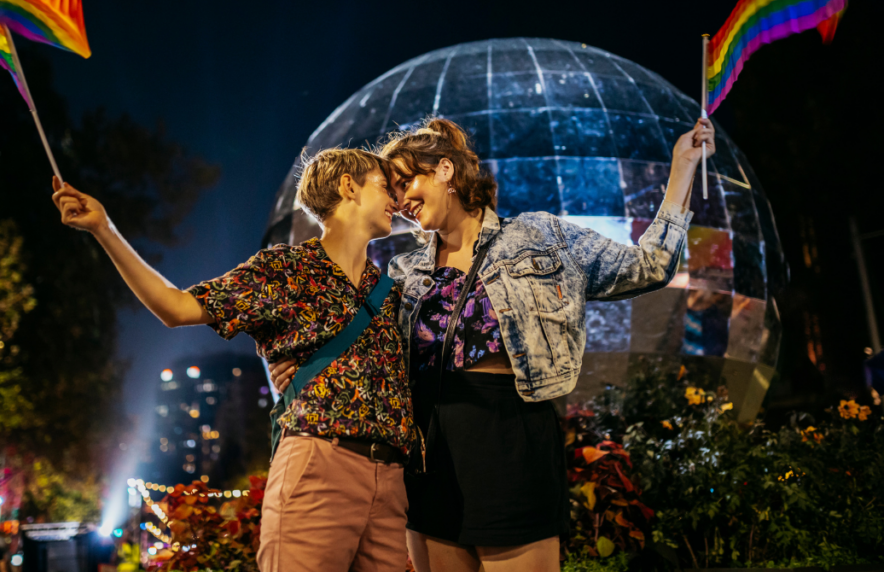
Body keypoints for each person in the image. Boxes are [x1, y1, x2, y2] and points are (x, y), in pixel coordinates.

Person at [273, 115, 713, 571]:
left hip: (513, 442)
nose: (399, 199)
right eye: (392, 189)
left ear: (445, 170)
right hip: (430, 453)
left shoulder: (540, 236)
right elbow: (359, 351)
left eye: (405, 181)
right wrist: (296, 361)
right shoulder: (403, 273)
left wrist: (682, 167)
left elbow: (651, 266)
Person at [51, 147, 418, 572]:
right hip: (320, 466)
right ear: (347, 186)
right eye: (383, 185)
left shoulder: (389, 292)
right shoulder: (284, 269)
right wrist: (104, 228)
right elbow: (176, 307)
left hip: (390, 479)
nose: (395, 197)